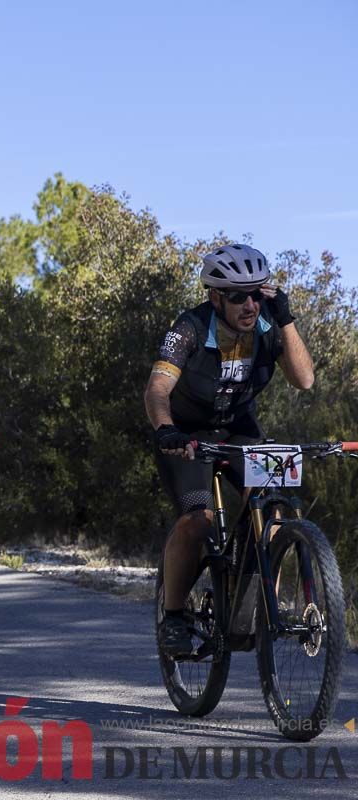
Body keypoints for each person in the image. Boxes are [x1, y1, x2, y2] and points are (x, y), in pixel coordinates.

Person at [144, 243, 314, 656]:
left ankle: (248, 605)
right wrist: (166, 430)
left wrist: (286, 318)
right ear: (215, 296)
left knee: (274, 506)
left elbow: (304, 380)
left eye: (258, 293)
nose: (250, 304)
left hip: (239, 432)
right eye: (239, 295)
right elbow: (157, 388)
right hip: (186, 434)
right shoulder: (189, 327)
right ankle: (175, 616)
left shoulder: (268, 325)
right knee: (198, 520)